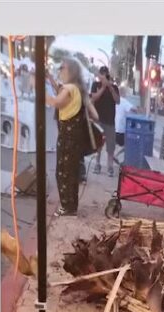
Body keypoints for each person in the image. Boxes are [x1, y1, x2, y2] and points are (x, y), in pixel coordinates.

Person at [46, 57, 98, 216]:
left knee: (62, 172)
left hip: (67, 137)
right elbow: (95, 115)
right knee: (73, 172)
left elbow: (55, 102)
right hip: (77, 138)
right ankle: (72, 207)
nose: (60, 71)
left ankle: (66, 208)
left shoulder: (69, 88)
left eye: (63, 68)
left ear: (71, 71)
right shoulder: (80, 90)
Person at [89, 66, 120, 177]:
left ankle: (110, 166)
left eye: (105, 74)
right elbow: (93, 98)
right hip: (98, 120)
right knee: (98, 144)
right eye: (101, 74)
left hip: (110, 121)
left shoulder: (114, 87)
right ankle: (97, 164)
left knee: (110, 146)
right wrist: (103, 87)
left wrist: (110, 87)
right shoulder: (95, 85)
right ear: (99, 75)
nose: (103, 76)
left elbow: (117, 101)